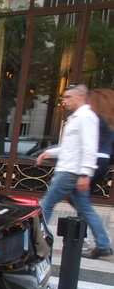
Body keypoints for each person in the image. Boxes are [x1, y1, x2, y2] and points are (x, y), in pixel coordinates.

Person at [36, 83, 112, 259]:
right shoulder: (77, 117)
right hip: (71, 171)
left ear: (81, 96)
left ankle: (39, 243)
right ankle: (103, 246)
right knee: (85, 209)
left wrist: (86, 174)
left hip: (70, 172)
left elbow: (89, 147)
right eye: (64, 97)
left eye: (69, 97)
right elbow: (72, 147)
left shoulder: (85, 117)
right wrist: (50, 152)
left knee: (45, 206)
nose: (65, 101)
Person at [87, 88, 114, 191]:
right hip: (104, 160)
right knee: (80, 197)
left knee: (76, 195)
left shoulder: (95, 119)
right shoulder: (110, 120)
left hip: (93, 159)